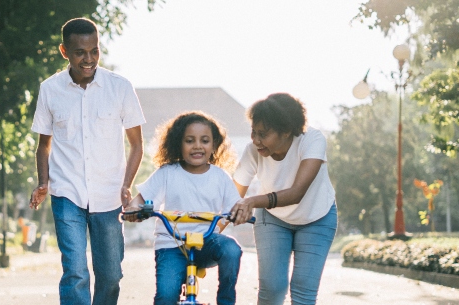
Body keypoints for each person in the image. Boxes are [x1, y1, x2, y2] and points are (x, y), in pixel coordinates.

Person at [28, 17, 145, 305]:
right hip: (67, 193)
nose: (89, 59)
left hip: (109, 195)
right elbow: (44, 146)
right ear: (64, 51)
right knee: (75, 272)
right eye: (80, 52)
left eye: (94, 51)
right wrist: (43, 182)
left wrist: (126, 185)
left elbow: (136, 145)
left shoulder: (120, 87)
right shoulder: (50, 89)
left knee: (110, 275)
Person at [229, 93, 338, 305]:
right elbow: (233, 199)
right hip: (273, 219)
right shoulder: (253, 151)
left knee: (303, 291)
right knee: (272, 289)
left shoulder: (312, 140)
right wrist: (207, 234)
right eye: (253, 132)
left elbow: (297, 193)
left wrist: (252, 201)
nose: (256, 140)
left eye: (263, 134)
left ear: (286, 131)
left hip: (317, 218)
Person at [124, 111, 243, 305]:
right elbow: (140, 200)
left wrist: (240, 213)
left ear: (214, 145)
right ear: (178, 144)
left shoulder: (220, 177)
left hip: (206, 242)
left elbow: (235, 207)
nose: (197, 146)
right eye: (189, 141)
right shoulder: (167, 173)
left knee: (231, 249)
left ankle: (226, 301)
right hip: (172, 243)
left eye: (205, 141)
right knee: (166, 296)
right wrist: (133, 209)